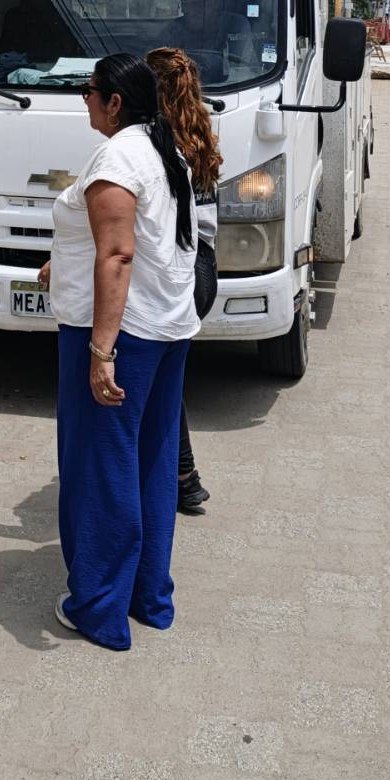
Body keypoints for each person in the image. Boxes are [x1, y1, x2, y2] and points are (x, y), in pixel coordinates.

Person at [39, 52, 197, 651]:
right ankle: (149, 598)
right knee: (151, 462)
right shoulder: (163, 149)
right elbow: (141, 240)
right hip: (166, 328)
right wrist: (63, 262)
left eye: (89, 90)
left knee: (101, 467)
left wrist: (101, 350)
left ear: (113, 102)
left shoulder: (117, 157)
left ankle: (99, 609)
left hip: (119, 332)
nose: (83, 98)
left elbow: (118, 254)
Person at [146, 46, 223, 515]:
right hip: (205, 269)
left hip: (179, 268)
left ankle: (179, 477)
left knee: (154, 379)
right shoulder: (200, 131)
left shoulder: (155, 141)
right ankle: (183, 479)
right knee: (164, 378)